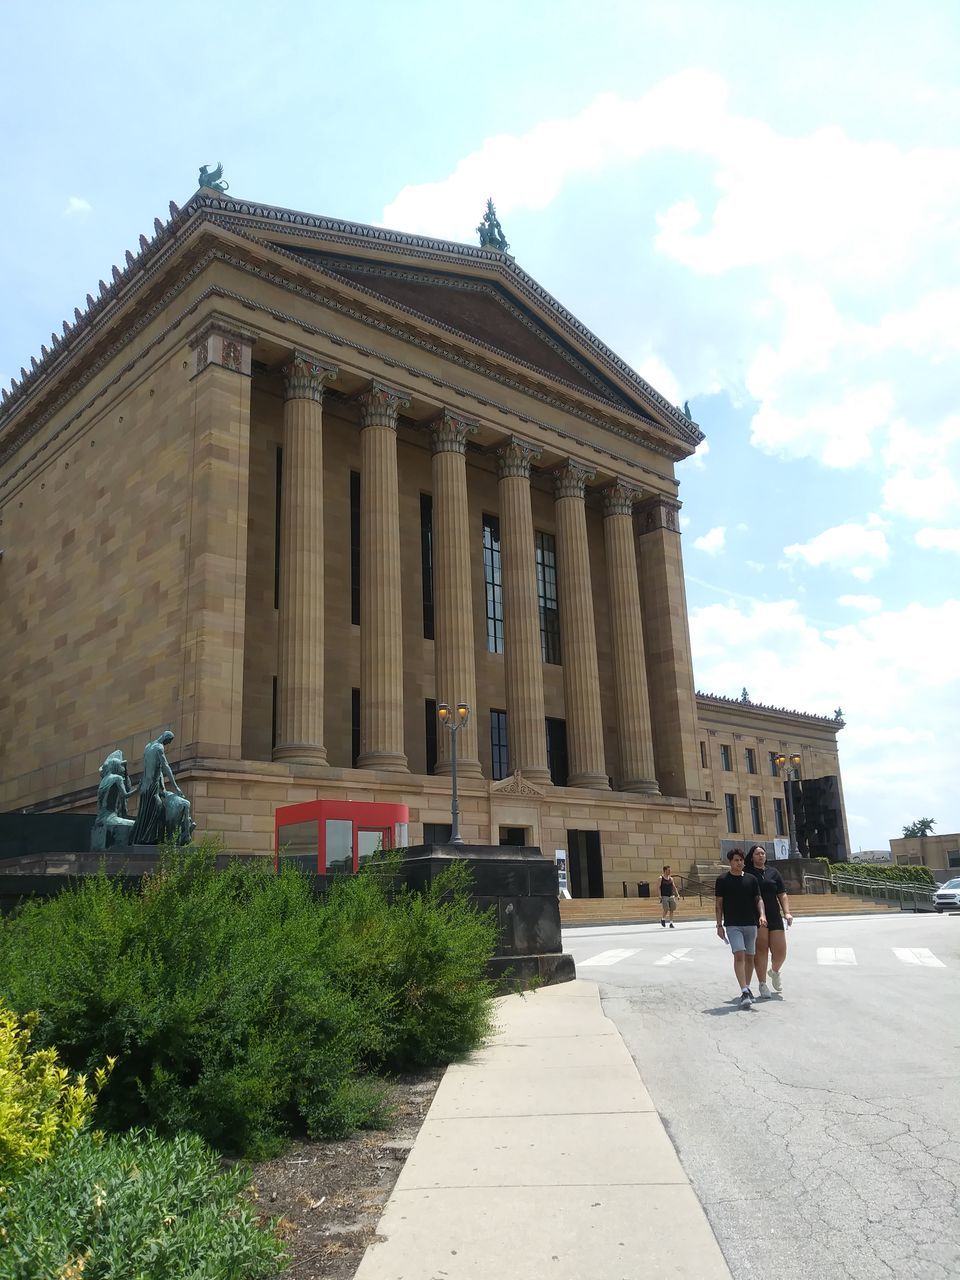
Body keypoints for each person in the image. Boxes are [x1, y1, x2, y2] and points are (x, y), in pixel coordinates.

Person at [715, 848, 766, 1008]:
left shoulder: (751, 879)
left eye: (741, 860)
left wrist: (762, 915)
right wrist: (719, 925)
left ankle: (747, 987)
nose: (739, 863)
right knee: (739, 955)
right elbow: (719, 904)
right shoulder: (722, 880)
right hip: (733, 924)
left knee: (750, 957)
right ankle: (744, 990)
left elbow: (759, 899)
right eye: (736, 860)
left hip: (751, 923)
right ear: (730, 862)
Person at [745, 844, 792, 998]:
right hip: (756, 915)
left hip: (774, 914)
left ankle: (775, 971)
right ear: (752, 857)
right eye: (757, 853)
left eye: (763, 853)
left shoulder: (773, 872)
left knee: (780, 952)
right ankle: (762, 983)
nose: (761, 856)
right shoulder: (748, 873)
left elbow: (782, 894)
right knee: (761, 950)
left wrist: (787, 913)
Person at [130, 730, 187, 845]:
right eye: (169, 742)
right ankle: (149, 839)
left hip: (145, 786)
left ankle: (142, 838)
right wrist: (176, 787)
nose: (168, 744)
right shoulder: (159, 748)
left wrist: (162, 785)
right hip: (152, 787)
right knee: (158, 810)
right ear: (166, 739)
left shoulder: (148, 747)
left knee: (146, 813)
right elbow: (165, 767)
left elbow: (155, 768)